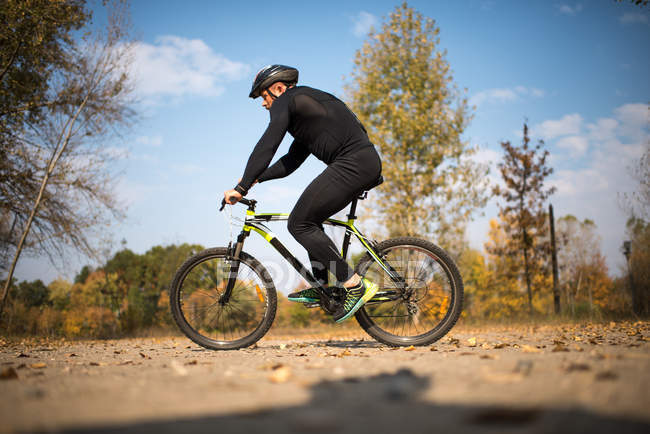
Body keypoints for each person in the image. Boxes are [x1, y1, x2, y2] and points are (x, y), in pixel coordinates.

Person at [223, 64, 382, 323]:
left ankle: (354, 284)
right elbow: (290, 163)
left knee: (300, 223)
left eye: (264, 97)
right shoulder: (305, 114)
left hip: (354, 163)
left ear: (278, 88)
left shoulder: (289, 99)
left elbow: (269, 143)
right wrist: (255, 179)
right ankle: (324, 287)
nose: (264, 104)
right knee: (310, 221)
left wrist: (241, 188)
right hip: (359, 162)